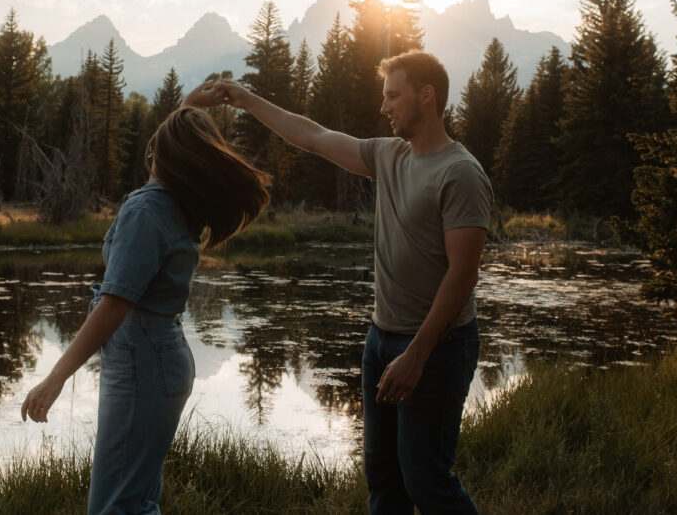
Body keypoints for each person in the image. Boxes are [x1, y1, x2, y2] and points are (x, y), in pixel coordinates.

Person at [191, 51, 491, 514]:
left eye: (393, 95)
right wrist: (246, 99)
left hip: (437, 348)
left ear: (426, 96)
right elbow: (312, 136)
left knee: (427, 480)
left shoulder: (461, 173)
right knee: (384, 481)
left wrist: (416, 355)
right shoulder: (388, 155)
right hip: (381, 340)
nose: (383, 107)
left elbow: (463, 274)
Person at [21, 104, 270, 515]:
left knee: (117, 506)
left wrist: (55, 378)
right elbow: (173, 142)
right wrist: (189, 111)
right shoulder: (177, 204)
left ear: (160, 151)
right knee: (135, 500)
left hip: (142, 361)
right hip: (158, 356)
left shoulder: (145, 210)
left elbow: (114, 305)